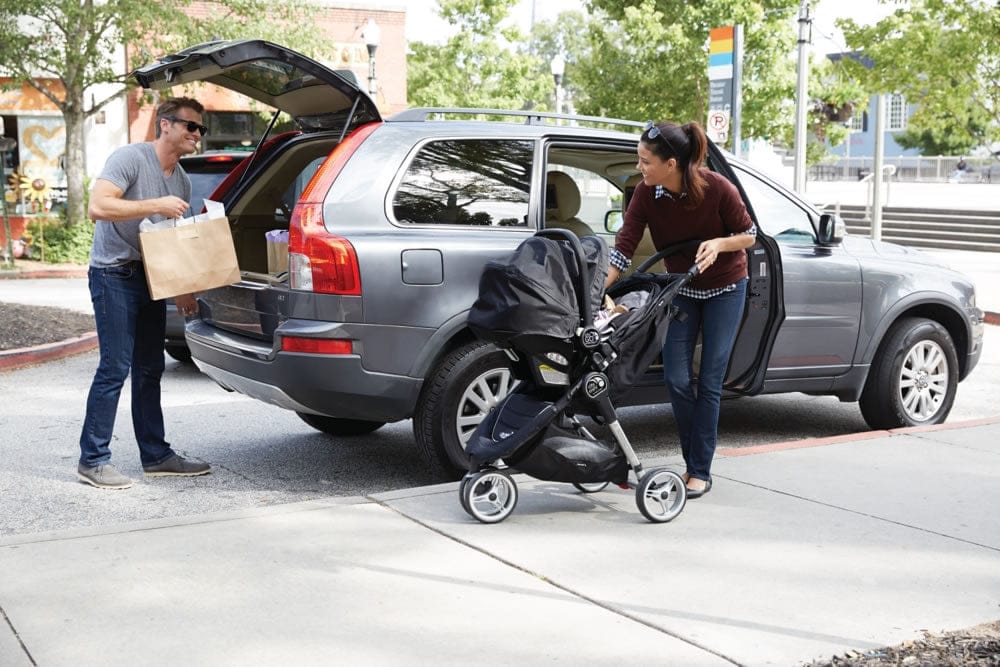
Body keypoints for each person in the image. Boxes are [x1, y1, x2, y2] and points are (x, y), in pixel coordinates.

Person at [605, 120, 756, 498]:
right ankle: (693, 460)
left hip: (726, 288)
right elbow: (624, 247)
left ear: (670, 164)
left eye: (645, 161)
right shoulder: (645, 193)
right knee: (675, 378)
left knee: (709, 381)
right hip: (682, 287)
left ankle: (698, 469)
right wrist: (595, 289)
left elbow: (750, 235)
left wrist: (720, 244)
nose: (640, 168)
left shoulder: (718, 188)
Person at [77, 97, 212, 489]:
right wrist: (156, 203)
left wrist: (184, 290)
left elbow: (173, 240)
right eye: (191, 126)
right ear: (165, 125)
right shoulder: (131, 158)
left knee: (151, 368)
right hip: (113, 274)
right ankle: (93, 459)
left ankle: (156, 456)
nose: (197, 135)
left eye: (201, 129)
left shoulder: (182, 179)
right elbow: (98, 206)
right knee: (115, 366)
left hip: (151, 279)